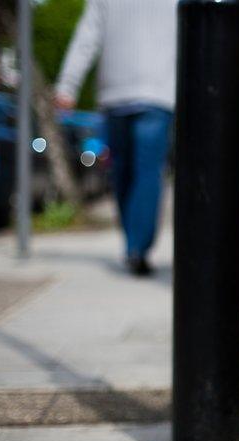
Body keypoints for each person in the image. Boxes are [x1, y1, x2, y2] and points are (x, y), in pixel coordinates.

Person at [55, 0, 177, 276]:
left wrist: (67, 85)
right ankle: (137, 246)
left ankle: (135, 246)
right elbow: (88, 34)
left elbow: (86, 36)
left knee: (130, 172)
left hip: (138, 93)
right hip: (146, 93)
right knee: (140, 173)